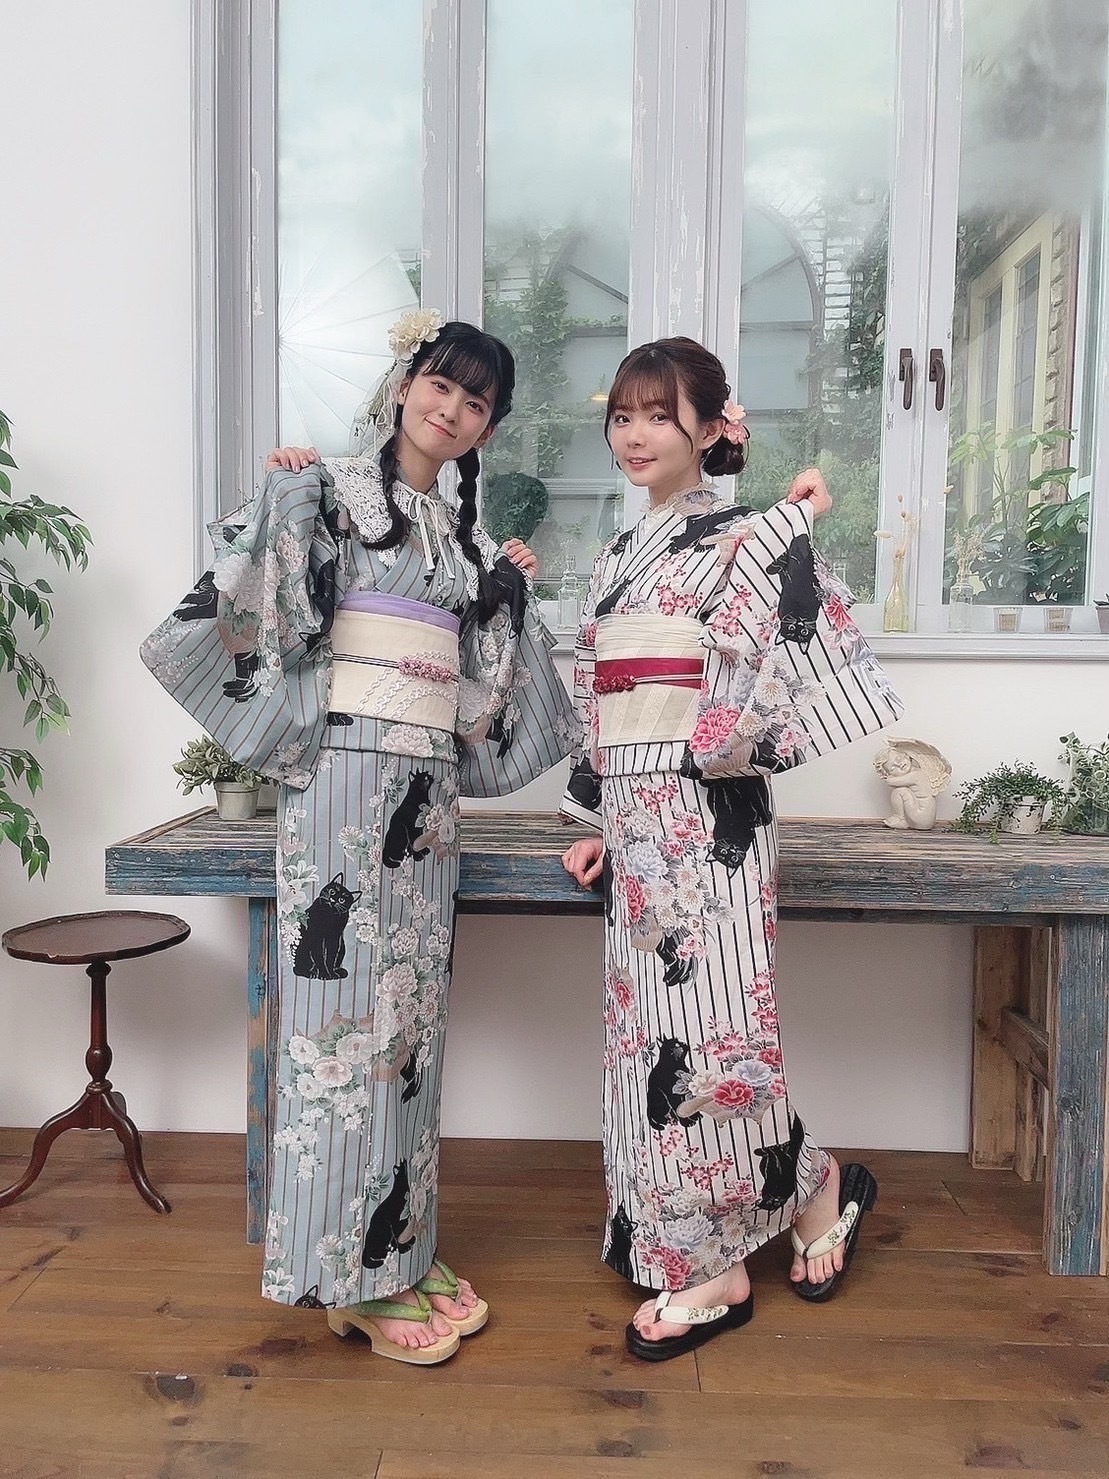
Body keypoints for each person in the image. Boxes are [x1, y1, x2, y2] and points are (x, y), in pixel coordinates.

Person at [143, 312, 578, 1365]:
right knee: (339, 1030)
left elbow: (477, 684)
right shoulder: (332, 487)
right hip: (343, 777)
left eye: (476, 403)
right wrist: (284, 495)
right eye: (441, 384)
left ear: (486, 429)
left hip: (426, 799)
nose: (452, 410)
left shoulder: (460, 538)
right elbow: (273, 607)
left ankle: (400, 1249)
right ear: (404, 383)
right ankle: (347, 1278)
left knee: (408, 1034)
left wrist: (503, 593)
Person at [559, 336, 903, 1361]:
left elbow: (758, 671)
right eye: (622, 415)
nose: (634, 435)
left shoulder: (742, 534)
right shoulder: (617, 555)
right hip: (636, 821)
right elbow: (602, 694)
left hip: (708, 820)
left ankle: (712, 1267)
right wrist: (597, 819)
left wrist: (789, 528)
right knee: (649, 1042)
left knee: (712, 1036)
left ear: (710, 429)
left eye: (658, 416)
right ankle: (812, 1188)